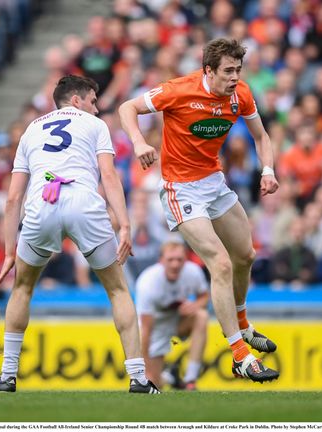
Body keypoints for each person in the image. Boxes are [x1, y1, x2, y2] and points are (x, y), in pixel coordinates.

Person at [119, 37, 280, 383]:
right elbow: (126, 108)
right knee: (219, 264)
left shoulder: (242, 94)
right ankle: (240, 355)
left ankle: (241, 323)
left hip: (214, 183)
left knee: (245, 256)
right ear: (208, 70)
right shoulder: (178, 90)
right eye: (227, 71)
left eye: (238, 70)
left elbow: (262, 136)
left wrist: (267, 170)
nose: (234, 77)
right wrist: (138, 141)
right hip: (180, 187)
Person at [0, 75, 159, 394]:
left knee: (23, 288)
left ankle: (8, 376)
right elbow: (108, 175)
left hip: (42, 202)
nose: (96, 109)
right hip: (83, 201)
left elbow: (12, 198)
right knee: (119, 290)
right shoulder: (95, 126)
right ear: (77, 101)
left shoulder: (30, 130)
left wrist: (10, 250)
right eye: (93, 101)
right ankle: (138, 378)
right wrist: (124, 224)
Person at [136, 238, 209, 390]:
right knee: (154, 382)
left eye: (179, 259)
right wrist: (146, 370)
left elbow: (204, 296)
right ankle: (169, 377)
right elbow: (146, 329)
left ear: (186, 259)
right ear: (161, 260)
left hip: (177, 320)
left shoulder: (193, 272)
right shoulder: (148, 282)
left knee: (201, 316)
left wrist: (194, 305)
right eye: (170, 260)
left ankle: (190, 379)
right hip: (155, 326)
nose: (175, 264)